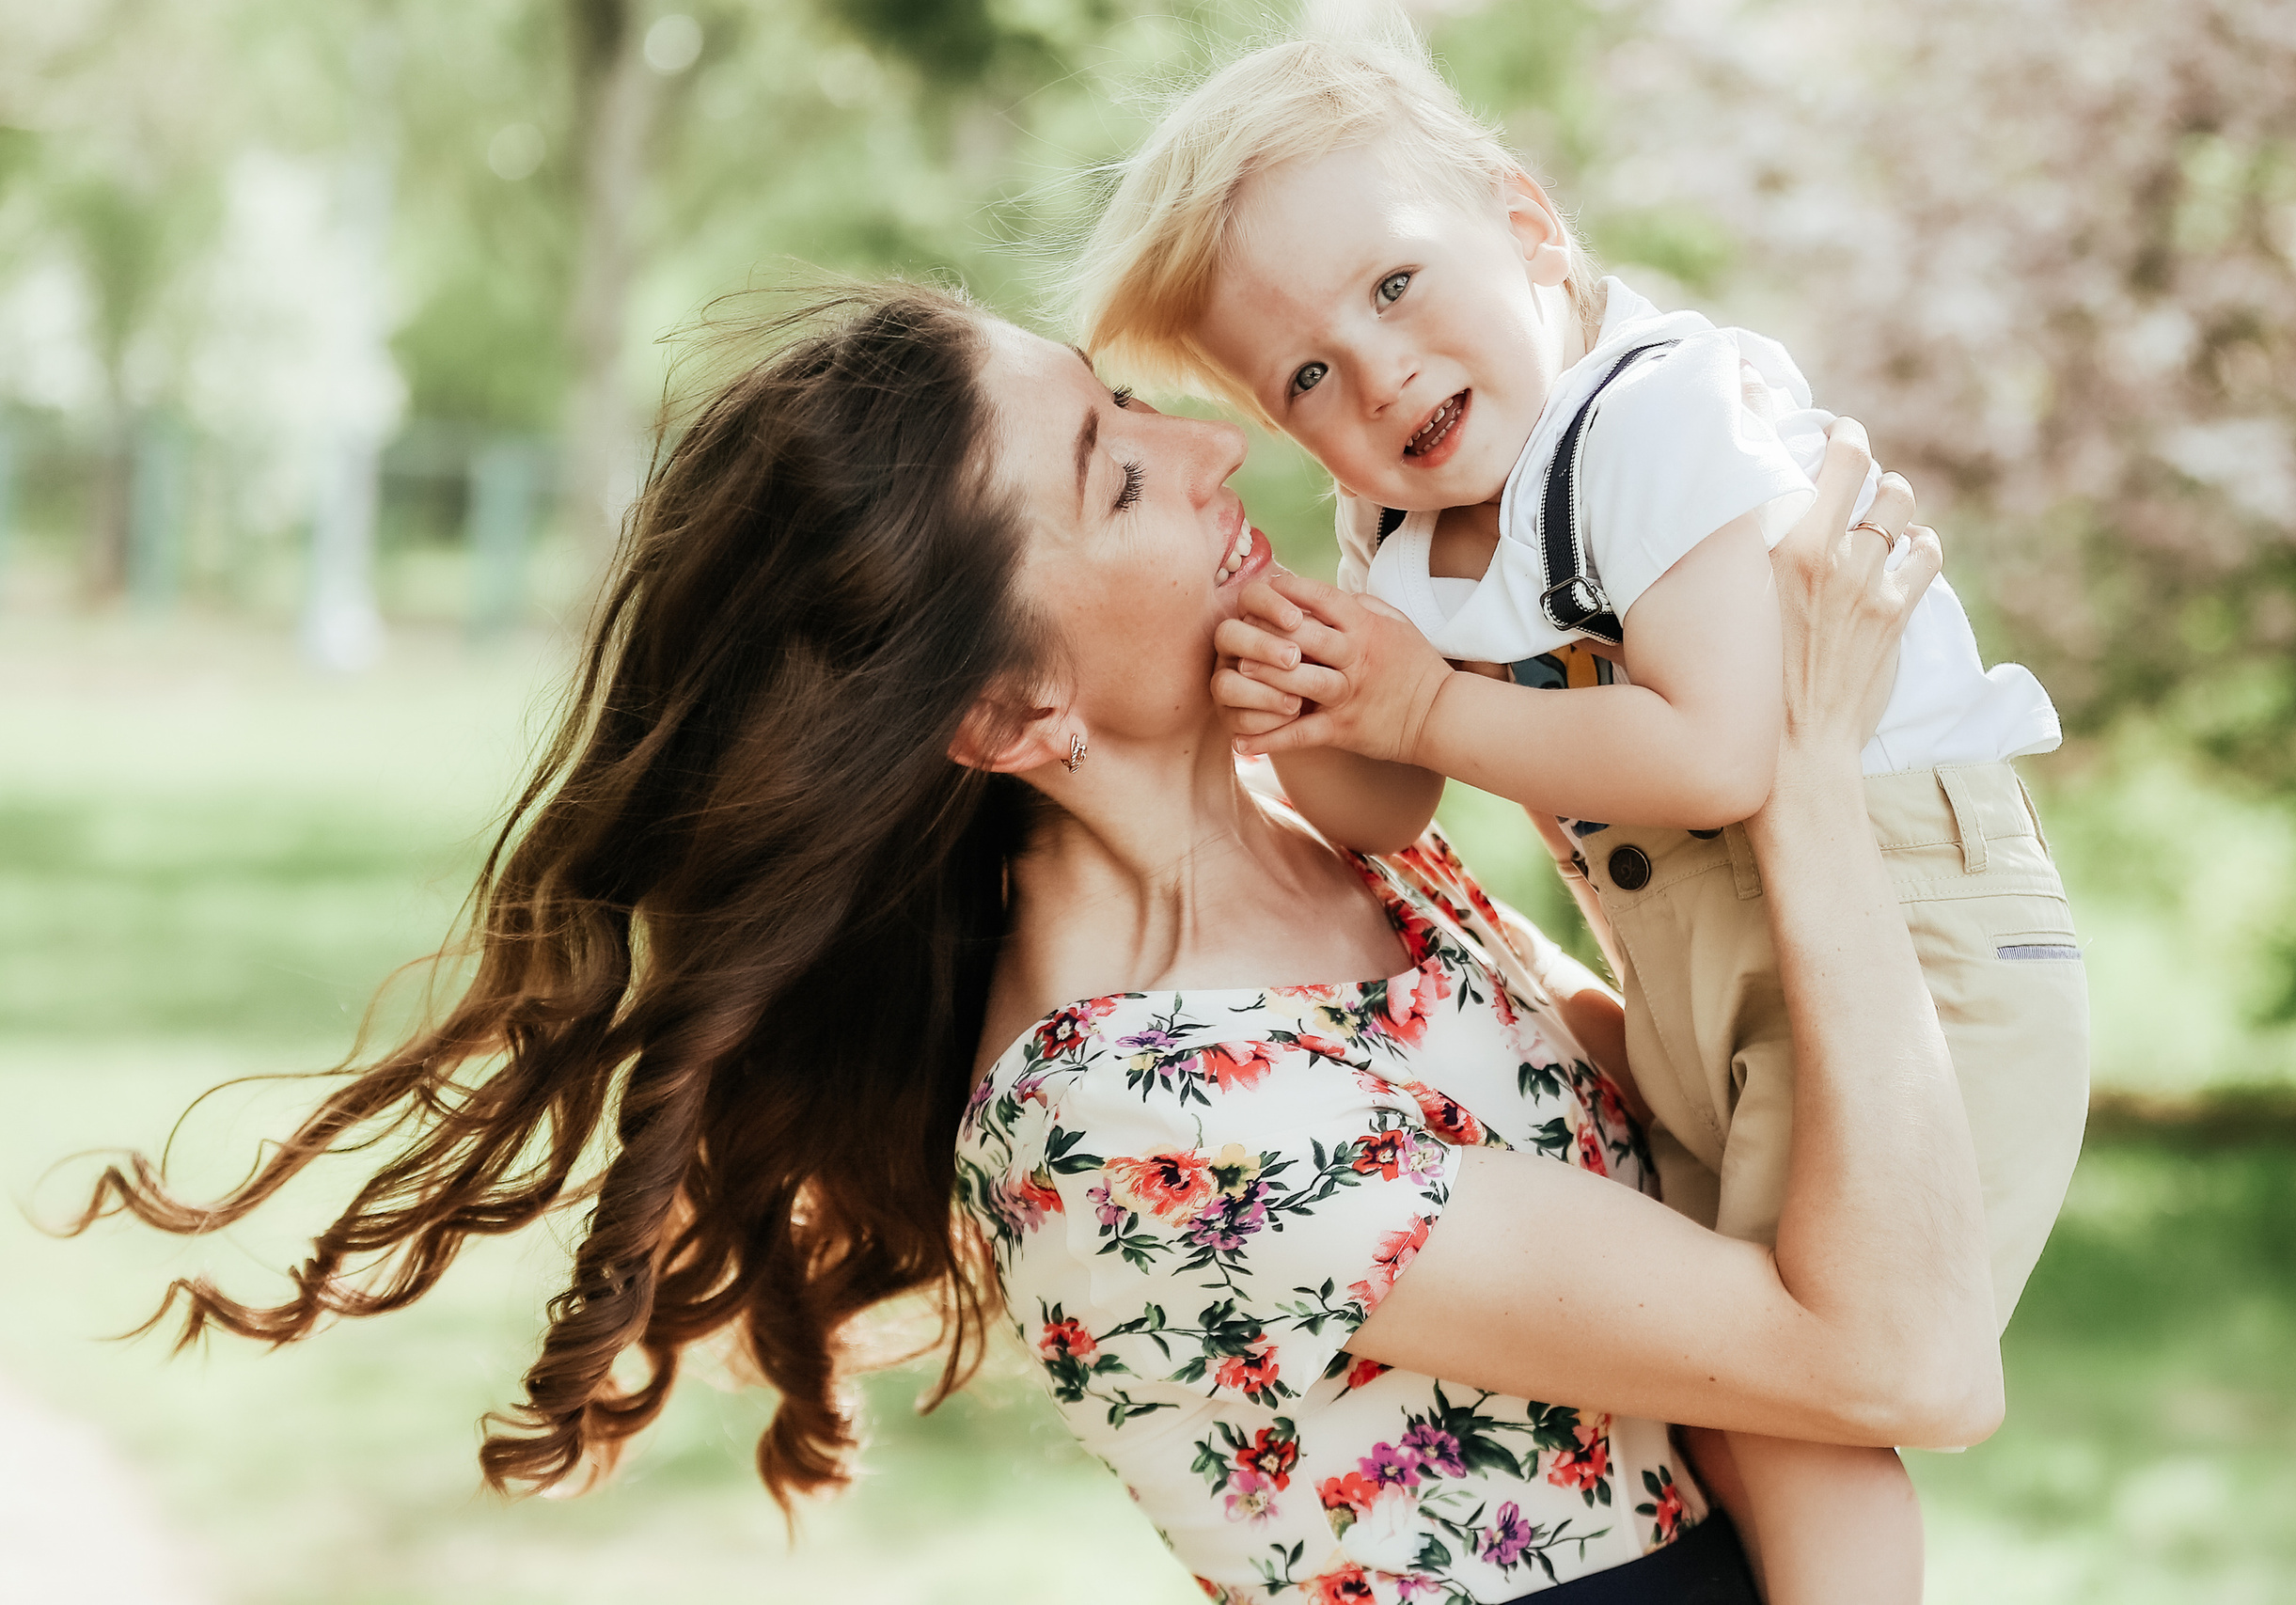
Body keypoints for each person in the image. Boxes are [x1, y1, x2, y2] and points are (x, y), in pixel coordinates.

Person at [67, 284, 1997, 1603]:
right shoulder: (1145, 1107)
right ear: (1004, 714)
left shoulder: (1326, 853)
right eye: (1114, 467)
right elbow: (1889, 1347)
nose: (1216, 452)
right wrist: (1801, 775)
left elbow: (1726, 1151)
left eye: (1135, 405)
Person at [1071, 31, 2090, 1597]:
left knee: (1814, 1402)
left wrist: (1421, 703)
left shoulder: (1655, 416)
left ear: (1528, 223)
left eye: (1394, 285)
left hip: (1916, 947)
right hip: (1715, 974)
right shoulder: (1399, 518)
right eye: (1308, 375)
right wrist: (1309, 697)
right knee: (1735, 1395)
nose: (1379, 368)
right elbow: (1381, 804)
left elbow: (1722, 753)